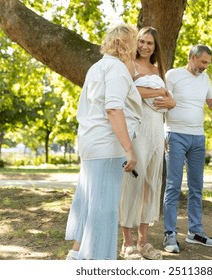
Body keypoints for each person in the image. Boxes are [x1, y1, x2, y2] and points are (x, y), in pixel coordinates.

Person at [64, 24, 142, 260]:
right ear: (127, 44)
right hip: (107, 146)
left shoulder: (97, 67)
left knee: (89, 204)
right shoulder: (116, 69)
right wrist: (129, 150)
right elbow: (113, 109)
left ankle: (75, 256)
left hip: (91, 143)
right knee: (104, 208)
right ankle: (100, 263)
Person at [162, 44, 212, 253]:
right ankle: (169, 234)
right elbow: (164, 102)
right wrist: (161, 134)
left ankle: (195, 232)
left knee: (196, 187)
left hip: (198, 138)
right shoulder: (172, 75)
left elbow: (211, 103)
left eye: (208, 63)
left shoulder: (205, 78)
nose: (205, 67)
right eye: (203, 62)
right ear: (192, 57)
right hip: (175, 135)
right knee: (173, 186)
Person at [119, 26, 175, 260]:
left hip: (155, 130)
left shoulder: (159, 68)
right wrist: (159, 92)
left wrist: (170, 102)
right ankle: (127, 243)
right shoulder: (129, 65)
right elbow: (129, 92)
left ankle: (144, 241)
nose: (144, 46)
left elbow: (170, 101)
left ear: (155, 47)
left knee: (151, 186)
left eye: (149, 43)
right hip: (138, 129)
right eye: (141, 41)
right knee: (133, 184)